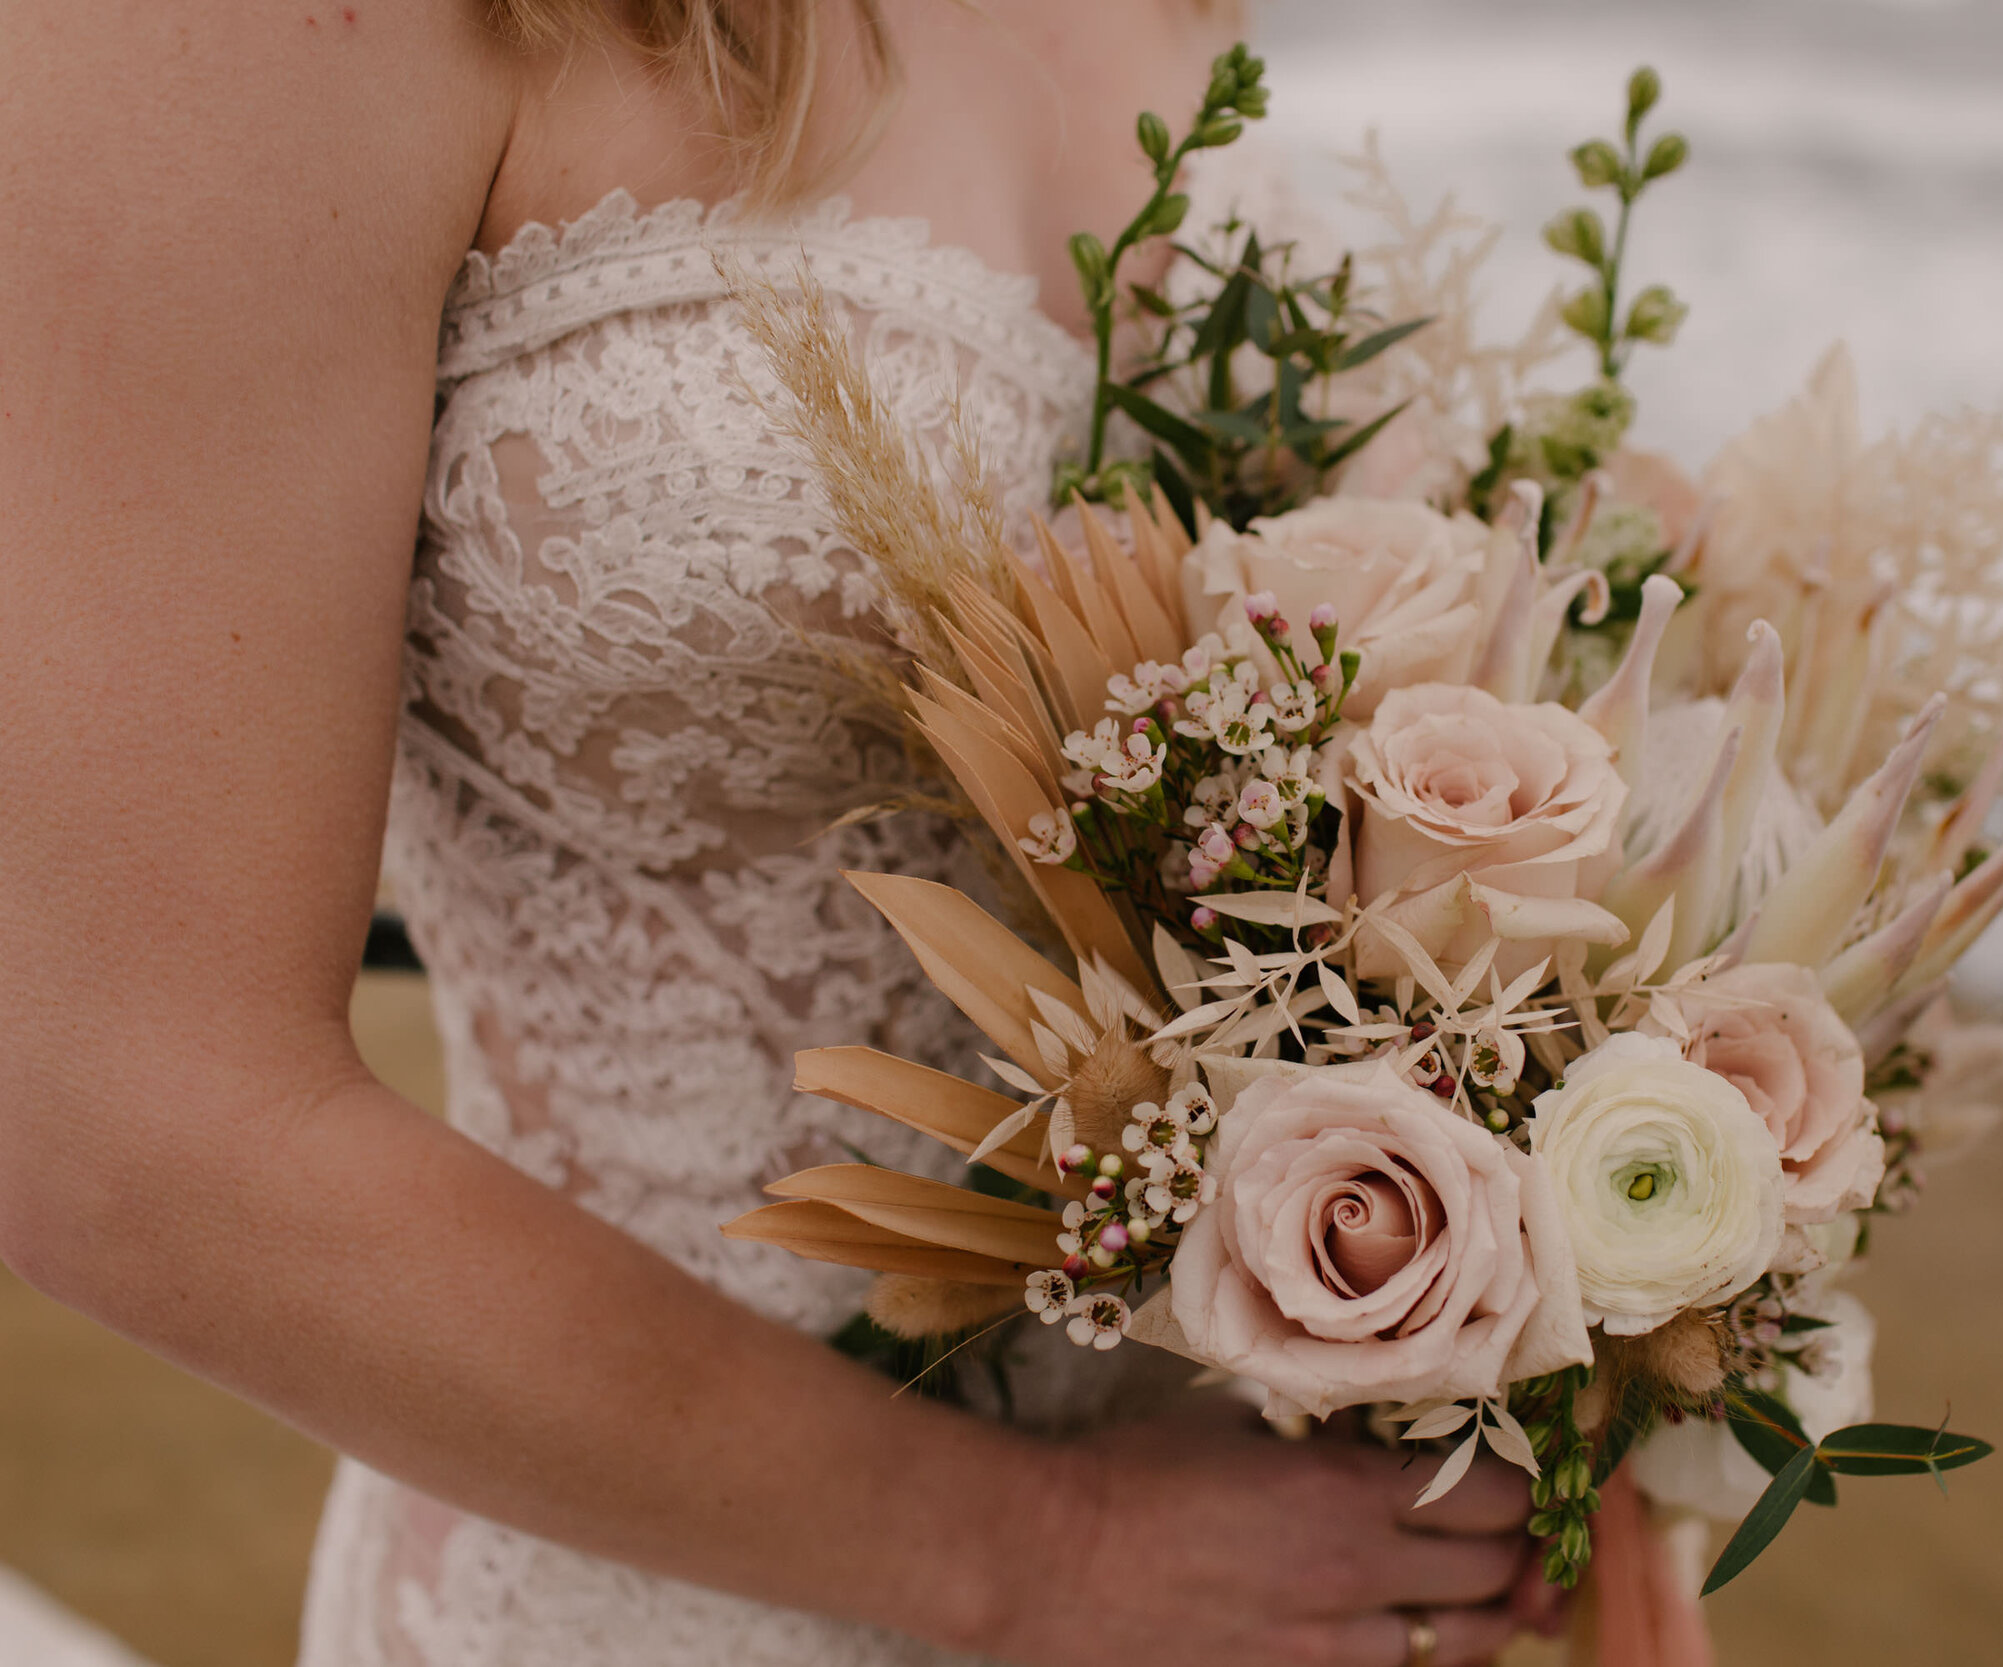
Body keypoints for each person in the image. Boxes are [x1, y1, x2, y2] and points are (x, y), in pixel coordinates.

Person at [0, 3, 1596, 1664]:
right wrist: (1053, 1548)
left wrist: (1563, 1301)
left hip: (1270, 1587)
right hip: (662, 1596)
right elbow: (132, 1134)